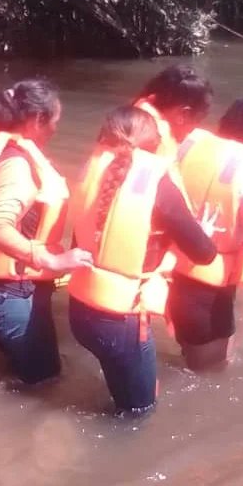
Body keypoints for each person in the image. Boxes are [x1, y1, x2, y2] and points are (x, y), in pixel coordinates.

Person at [68, 106, 218, 414]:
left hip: (80, 311)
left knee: (119, 389)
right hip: (120, 321)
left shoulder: (93, 168)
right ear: (153, 142)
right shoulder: (158, 183)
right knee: (139, 413)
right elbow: (203, 254)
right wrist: (205, 231)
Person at [0, 79, 92, 384]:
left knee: (27, 377)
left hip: (1, 292)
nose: (55, 129)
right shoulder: (16, 163)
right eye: (55, 121)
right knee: (45, 385)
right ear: (37, 119)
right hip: (11, 295)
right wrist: (51, 260)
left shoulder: (0, 144)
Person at [169, 97, 243, 371]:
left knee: (189, 358)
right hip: (206, 291)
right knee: (210, 376)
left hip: (171, 275)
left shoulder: (186, 149)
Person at [134, 65, 213, 158]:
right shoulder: (161, 143)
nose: (193, 130)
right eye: (200, 118)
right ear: (184, 114)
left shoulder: (133, 113)